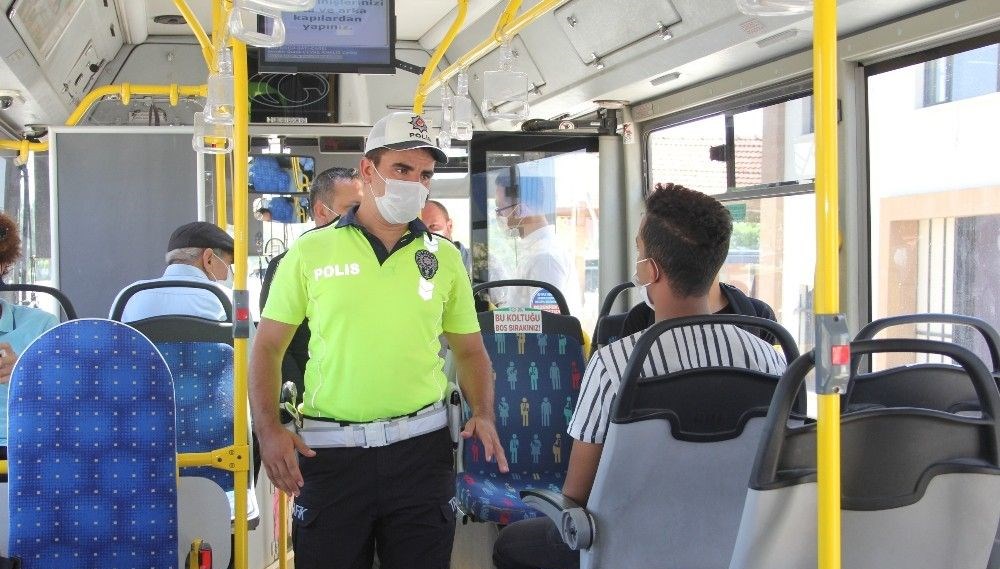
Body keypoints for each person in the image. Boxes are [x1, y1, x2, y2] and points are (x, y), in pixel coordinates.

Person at [250, 112, 508, 569]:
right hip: (331, 452)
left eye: (424, 174)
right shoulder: (310, 251)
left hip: (422, 453)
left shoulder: (445, 258)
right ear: (368, 171)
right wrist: (268, 430)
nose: (415, 184)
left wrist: (484, 413)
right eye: (402, 169)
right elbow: (267, 347)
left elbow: (470, 351)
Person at [492, 183, 788, 569]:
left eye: (638, 252)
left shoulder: (615, 365)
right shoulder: (770, 361)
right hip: (733, 545)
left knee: (512, 545)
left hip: (628, 547)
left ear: (650, 271)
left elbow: (576, 496)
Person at [259, 167, 363, 401]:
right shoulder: (288, 264)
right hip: (314, 398)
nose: (363, 216)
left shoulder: (374, 261)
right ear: (321, 211)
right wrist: (298, 403)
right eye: (353, 208)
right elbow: (277, 348)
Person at [0, 211, 60, 475]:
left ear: (3, 264)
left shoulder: (41, 327)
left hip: (25, 453)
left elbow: (73, 401)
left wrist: (24, 373)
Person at [494, 165, 582, 315]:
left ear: (520, 209)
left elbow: (546, 323)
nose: (499, 216)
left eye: (500, 209)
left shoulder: (544, 258)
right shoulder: (534, 251)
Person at [110, 221, 235, 322]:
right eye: (228, 264)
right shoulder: (228, 302)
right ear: (208, 259)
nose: (229, 274)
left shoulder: (129, 297)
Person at [421, 199, 472, 275]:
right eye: (418, 229)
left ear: (449, 226)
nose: (425, 235)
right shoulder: (408, 266)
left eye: (433, 226)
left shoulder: (479, 262)